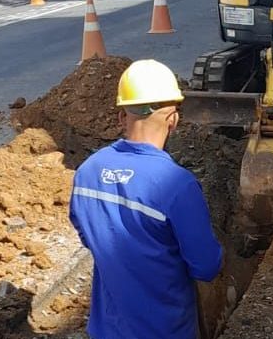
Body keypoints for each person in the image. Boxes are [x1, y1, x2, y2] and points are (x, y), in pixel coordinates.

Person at [69, 59, 223, 339]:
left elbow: (87, 235)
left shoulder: (87, 172)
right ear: (173, 119)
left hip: (105, 330)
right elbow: (206, 266)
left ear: (121, 116)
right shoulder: (177, 184)